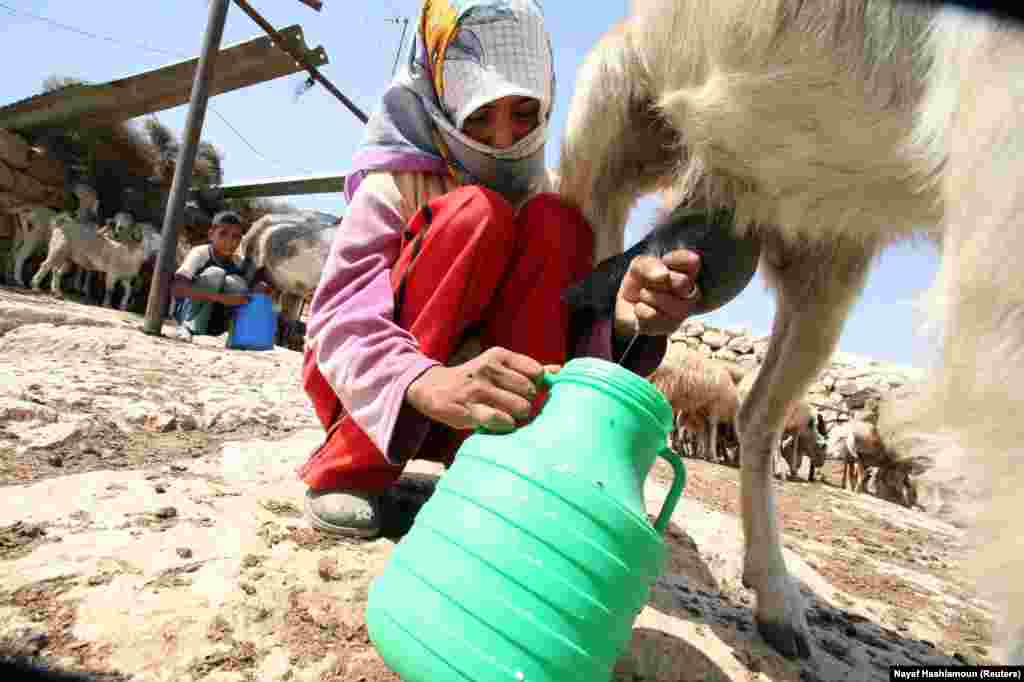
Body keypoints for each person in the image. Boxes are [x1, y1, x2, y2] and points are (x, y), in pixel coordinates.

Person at [298, 0, 703, 538]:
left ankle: (501, 473)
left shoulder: (552, 196)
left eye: (523, 113)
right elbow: (340, 319)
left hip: (481, 409)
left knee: (559, 224)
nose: (504, 138)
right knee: (477, 214)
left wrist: (626, 322)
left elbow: (576, 351)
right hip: (378, 400)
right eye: (479, 116)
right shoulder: (394, 186)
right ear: (441, 102)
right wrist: (423, 381)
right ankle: (351, 468)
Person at [172, 210, 271, 342]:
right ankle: (187, 328)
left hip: (215, 322)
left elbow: (253, 292)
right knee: (215, 273)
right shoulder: (200, 253)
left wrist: (258, 290)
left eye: (235, 237)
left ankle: (234, 336)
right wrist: (221, 298)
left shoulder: (239, 262)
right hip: (187, 313)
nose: (229, 241)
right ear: (211, 234)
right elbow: (177, 288)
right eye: (223, 234)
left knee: (238, 283)